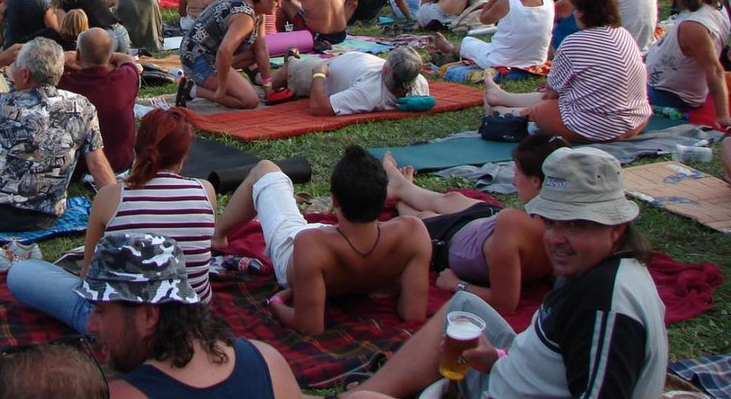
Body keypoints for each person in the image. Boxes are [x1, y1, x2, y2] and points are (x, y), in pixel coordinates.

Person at [350, 146, 666, 399]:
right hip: (506, 375)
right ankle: (377, 387)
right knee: (464, 308)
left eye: (575, 224)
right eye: (551, 221)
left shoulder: (604, 303)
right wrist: (499, 359)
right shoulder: (599, 267)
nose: (555, 238)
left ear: (615, 228)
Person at [7, 108, 218, 333]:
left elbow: (88, 277)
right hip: (190, 324)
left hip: (124, 331)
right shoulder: (205, 192)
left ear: (137, 146)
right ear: (184, 155)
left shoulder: (110, 197)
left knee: (21, 273)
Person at [211, 146, 432, 334]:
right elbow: (412, 313)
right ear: (384, 198)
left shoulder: (309, 244)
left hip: (304, 251)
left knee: (265, 169)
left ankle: (217, 236)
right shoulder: (413, 234)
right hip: (344, 240)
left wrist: (276, 303)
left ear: (334, 200)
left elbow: (310, 327)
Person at [81, 232, 302, 398]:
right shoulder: (267, 362)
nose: (90, 325)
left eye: (101, 311)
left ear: (149, 316)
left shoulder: (123, 394)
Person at [0, 38, 116, 231]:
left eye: (13, 65)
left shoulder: (4, 105)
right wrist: (119, 211)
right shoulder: (82, 107)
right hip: (46, 216)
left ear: (24, 75)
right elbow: (97, 164)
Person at [382, 134, 565, 313]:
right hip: (488, 223)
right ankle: (401, 186)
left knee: (422, 218)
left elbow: (504, 304)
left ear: (536, 181)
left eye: (517, 174)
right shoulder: (563, 224)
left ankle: (400, 195)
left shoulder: (515, 226)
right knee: (450, 199)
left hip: (458, 240)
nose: (513, 181)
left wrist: (457, 284)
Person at [483, 0, 650, 142]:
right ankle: (501, 96)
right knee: (566, 96)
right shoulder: (623, 34)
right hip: (636, 121)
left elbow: (552, 92)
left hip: (599, 127)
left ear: (583, 12)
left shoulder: (574, 42)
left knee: (547, 108)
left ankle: (506, 111)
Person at [178, 0, 286, 109]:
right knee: (249, 100)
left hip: (202, 51)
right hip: (196, 58)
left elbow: (261, 50)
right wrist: (222, 88)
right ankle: (192, 90)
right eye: (277, 1)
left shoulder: (255, 10)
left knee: (254, 54)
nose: (280, 6)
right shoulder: (245, 17)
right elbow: (224, 51)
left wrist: (268, 86)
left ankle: (217, 81)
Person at [645, 0, 731, 128]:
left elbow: (714, 70)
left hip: (669, 94)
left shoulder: (694, 26)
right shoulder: (714, 9)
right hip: (666, 85)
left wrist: (723, 117)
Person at [430, 0, 554, 70]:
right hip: (536, 60)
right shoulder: (549, 2)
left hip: (502, 61)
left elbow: (483, 18)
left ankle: (451, 49)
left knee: (468, 42)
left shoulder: (506, 3)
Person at [59, 27, 141, 174]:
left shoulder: (64, 84)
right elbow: (128, 60)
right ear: (110, 57)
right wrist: (105, 53)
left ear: (78, 55)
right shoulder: (126, 78)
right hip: (120, 163)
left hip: (78, 167)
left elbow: (51, 68)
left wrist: (65, 57)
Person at [269, 47, 428, 116]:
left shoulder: (368, 93)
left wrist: (319, 74)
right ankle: (292, 58)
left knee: (284, 72)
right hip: (343, 62)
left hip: (328, 69)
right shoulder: (419, 83)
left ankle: (264, 71)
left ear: (386, 70)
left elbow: (319, 108)